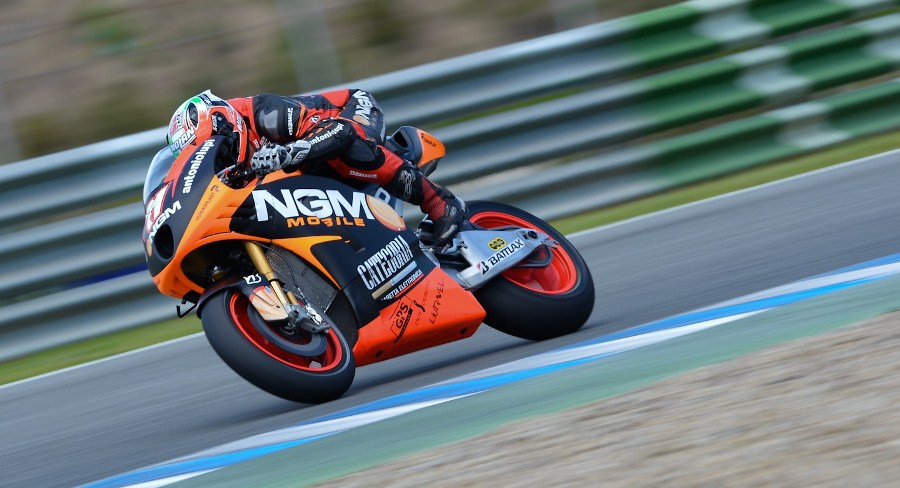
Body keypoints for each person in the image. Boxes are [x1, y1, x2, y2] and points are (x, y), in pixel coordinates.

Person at [165, 89, 465, 244]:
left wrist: (288, 152)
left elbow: (340, 131)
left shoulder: (267, 114)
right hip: (315, 152)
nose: (220, 155)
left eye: (218, 148)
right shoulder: (229, 160)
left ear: (225, 123)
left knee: (343, 152)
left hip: (353, 112)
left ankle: (439, 202)